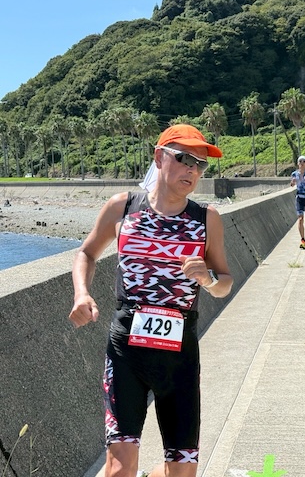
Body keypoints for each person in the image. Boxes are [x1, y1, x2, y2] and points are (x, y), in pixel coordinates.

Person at [68, 124, 233, 477]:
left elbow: (225, 283)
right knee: (118, 468)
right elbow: (86, 253)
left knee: (182, 472)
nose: (193, 170)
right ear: (159, 157)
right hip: (126, 351)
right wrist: (82, 292)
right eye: (185, 159)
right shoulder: (123, 207)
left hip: (179, 357)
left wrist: (208, 279)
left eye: (200, 164)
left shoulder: (207, 219)